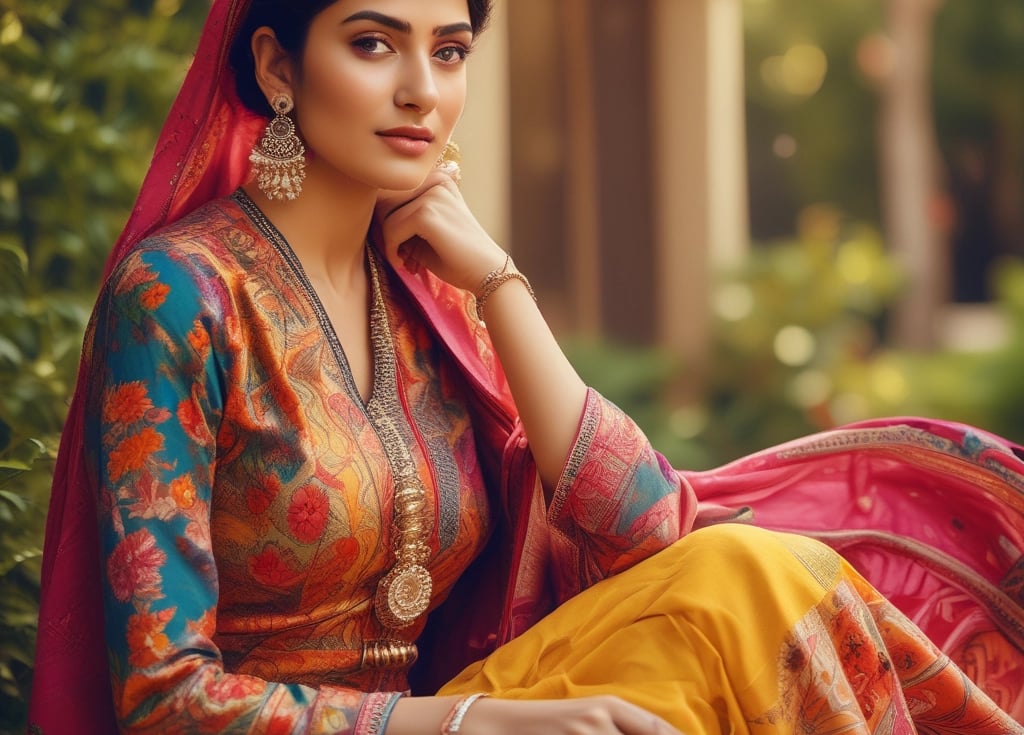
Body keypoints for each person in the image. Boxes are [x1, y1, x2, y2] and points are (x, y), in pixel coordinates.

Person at [27, 0, 1024, 732]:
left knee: (743, 574)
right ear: (278, 67)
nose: (422, 88)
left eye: (450, 50)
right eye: (373, 44)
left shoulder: (425, 290)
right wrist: (475, 727)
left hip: (468, 714)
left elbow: (650, 538)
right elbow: (164, 699)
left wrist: (502, 285)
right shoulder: (181, 297)